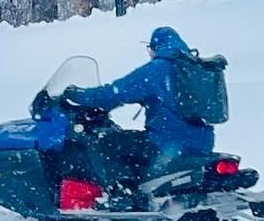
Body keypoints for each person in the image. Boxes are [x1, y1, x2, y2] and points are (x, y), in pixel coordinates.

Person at [64, 26, 215, 176]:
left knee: (106, 142)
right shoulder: (193, 69)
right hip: (202, 144)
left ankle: (119, 194)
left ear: (156, 47)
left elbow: (113, 94)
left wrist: (76, 94)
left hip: (166, 142)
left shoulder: (157, 70)